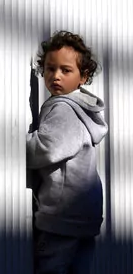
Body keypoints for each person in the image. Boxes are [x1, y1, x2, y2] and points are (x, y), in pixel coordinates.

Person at [26, 31, 108, 273]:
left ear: (83, 77)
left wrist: (14, 147)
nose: (56, 76)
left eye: (65, 70)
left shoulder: (63, 108)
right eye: (50, 69)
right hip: (85, 215)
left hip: (62, 218)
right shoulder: (83, 110)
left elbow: (49, 148)